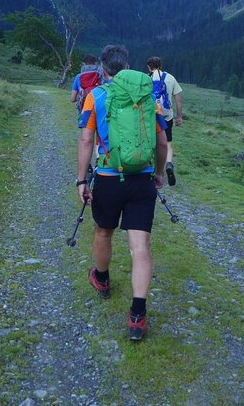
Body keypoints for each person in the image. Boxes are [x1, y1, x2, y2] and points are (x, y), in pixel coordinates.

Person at [77, 45, 169, 341]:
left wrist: (81, 180)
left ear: (103, 69)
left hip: (108, 177)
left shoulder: (95, 96)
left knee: (103, 231)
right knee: (140, 247)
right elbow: (162, 141)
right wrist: (158, 173)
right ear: (127, 67)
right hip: (142, 179)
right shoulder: (147, 97)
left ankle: (102, 279)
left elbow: (86, 140)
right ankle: (138, 316)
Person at [146, 56, 183, 186]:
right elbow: (178, 99)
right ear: (160, 65)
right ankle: (168, 164)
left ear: (149, 67)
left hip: (151, 116)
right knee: (167, 143)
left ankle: (151, 168)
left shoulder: (146, 78)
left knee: (150, 141)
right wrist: (179, 116)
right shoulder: (170, 78)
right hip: (166, 117)